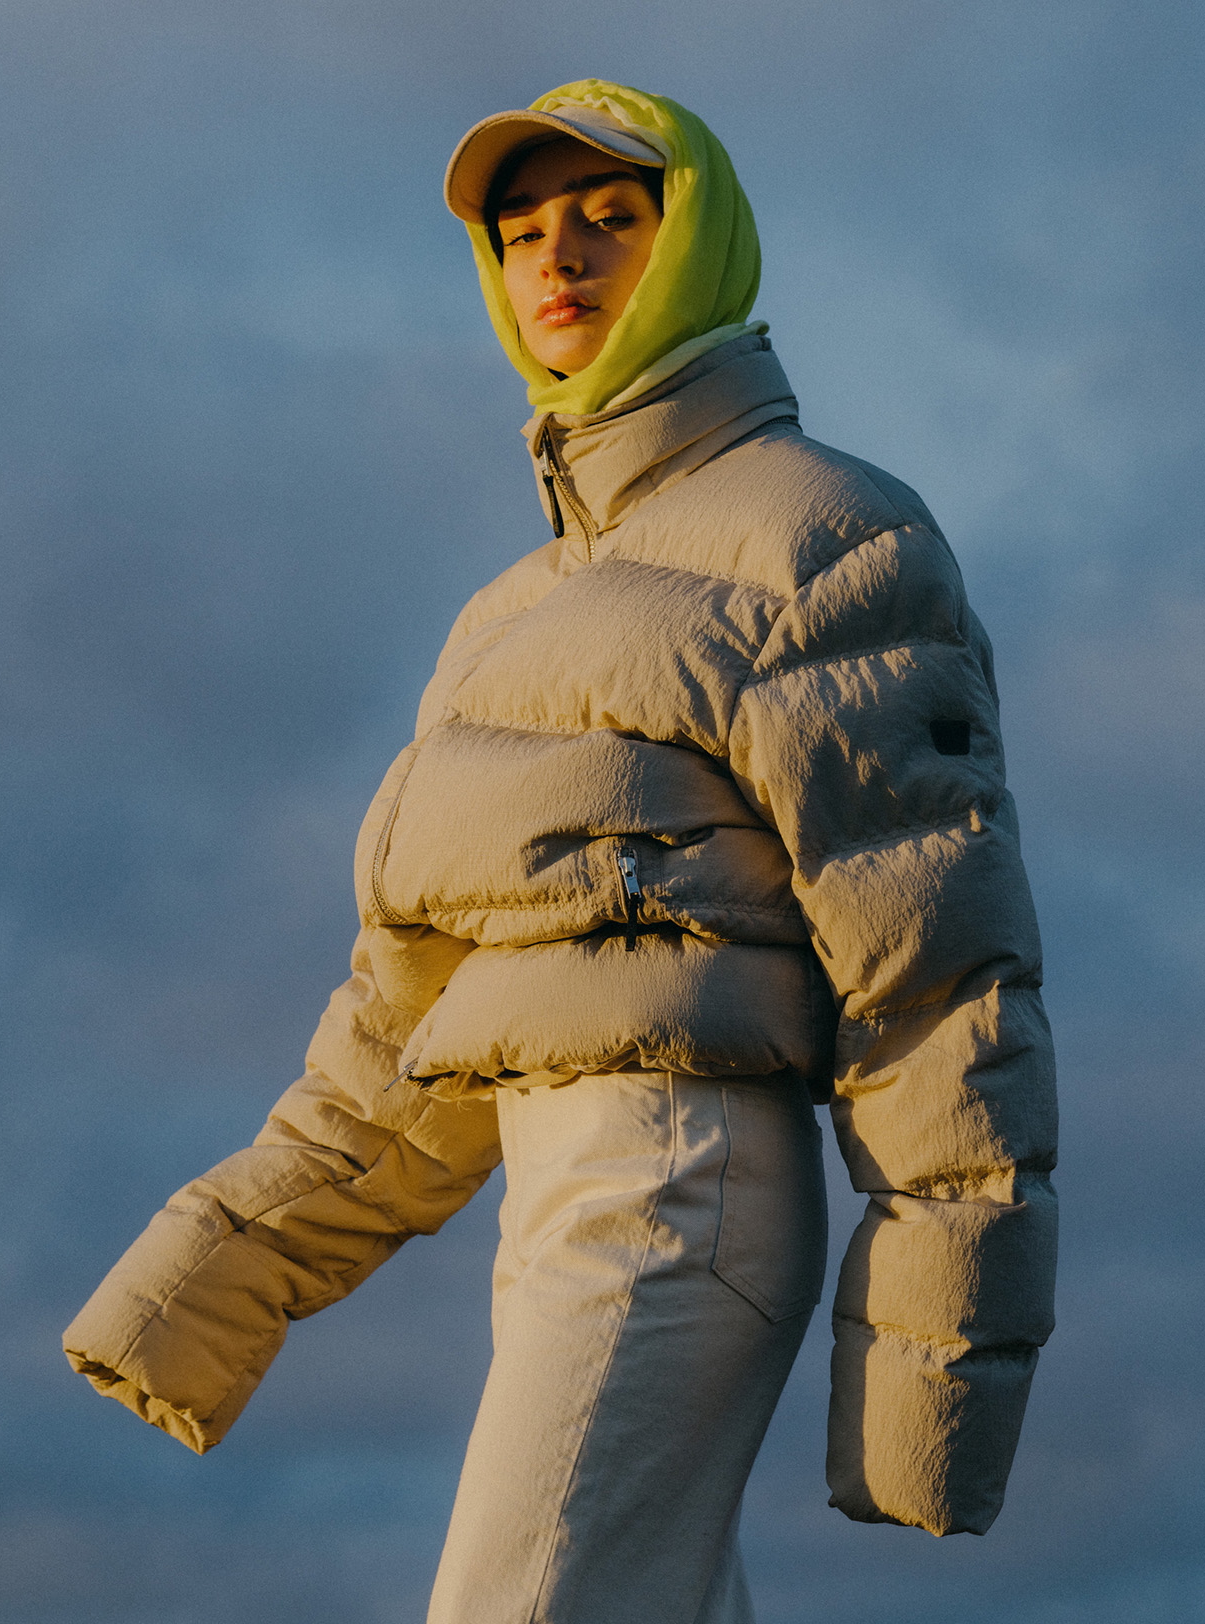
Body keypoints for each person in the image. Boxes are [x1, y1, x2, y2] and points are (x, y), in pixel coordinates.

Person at [64, 80, 1059, 1624]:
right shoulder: (499, 622)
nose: (560, 258)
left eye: (610, 217)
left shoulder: (827, 535)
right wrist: (218, 1265)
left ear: (695, 245)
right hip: (551, 1205)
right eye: (522, 233)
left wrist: (940, 1357)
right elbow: (408, 1027)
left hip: (679, 1181)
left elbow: (935, 971)